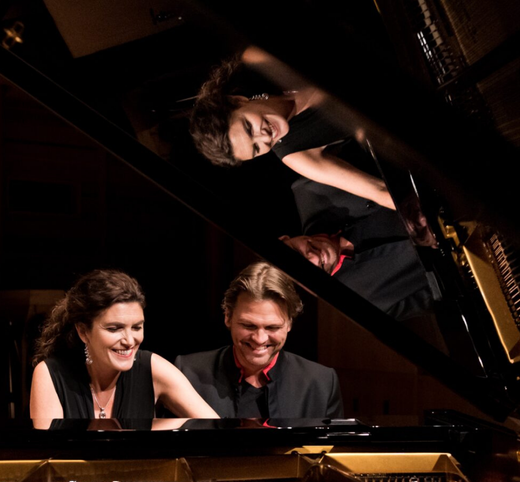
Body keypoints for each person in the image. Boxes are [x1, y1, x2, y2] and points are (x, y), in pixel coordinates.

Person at [189, 50, 397, 211]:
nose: (264, 137)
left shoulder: (262, 62)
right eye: (256, 148)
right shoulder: (295, 155)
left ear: (238, 101)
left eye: (249, 128)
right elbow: (379, 191)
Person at [30, 269, 219, 430]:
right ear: (83, 331)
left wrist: (155, 428)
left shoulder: (152, 367)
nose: (129, 341)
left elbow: (219, 430)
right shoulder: (51, 374)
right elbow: (50, 454)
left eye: (136, 327)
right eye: (114, 328)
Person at [173, 262, 343, 421]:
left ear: (289, 324)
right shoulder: (187, 373)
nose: (259, 339)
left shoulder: (322, 383)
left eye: (272, 327)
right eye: (248, 325)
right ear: (228, 317)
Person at [280, 177, 439, 321]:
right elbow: (444, 296)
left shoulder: (312, 187)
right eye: (306, 275)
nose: (313, 258)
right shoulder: (363, 307)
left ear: (283, 240)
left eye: (296, 254)